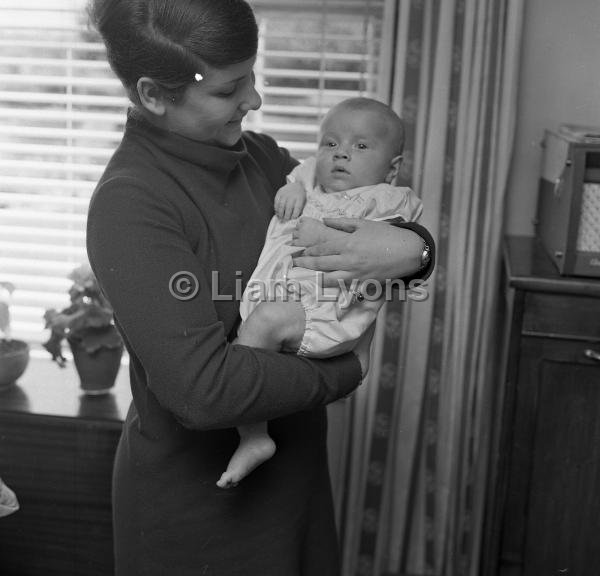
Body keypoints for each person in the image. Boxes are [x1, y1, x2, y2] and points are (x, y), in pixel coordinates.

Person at [85, 1, 435, 574]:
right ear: (152, 94)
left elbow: (367, 214)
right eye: (228, 90)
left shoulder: (262, 160)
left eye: (251, 76)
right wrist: (348, 370)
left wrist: (417, 249)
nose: (254, 100)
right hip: (198, 511)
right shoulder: (130, 205)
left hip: (293, 482)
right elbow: (207, 393)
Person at [217, 97, 424, 489]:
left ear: (392, 168)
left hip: (326, 311)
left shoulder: (386, 198)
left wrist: (325, 232)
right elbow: (299, 175)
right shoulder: (309, 179)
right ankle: (256, 434)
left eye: (361, 147)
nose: (341, 153)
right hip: (283, 295)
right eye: (331, 143)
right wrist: (293, 188)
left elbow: (404, 248)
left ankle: (253, 436)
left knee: (262, 326)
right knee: (248, 338)